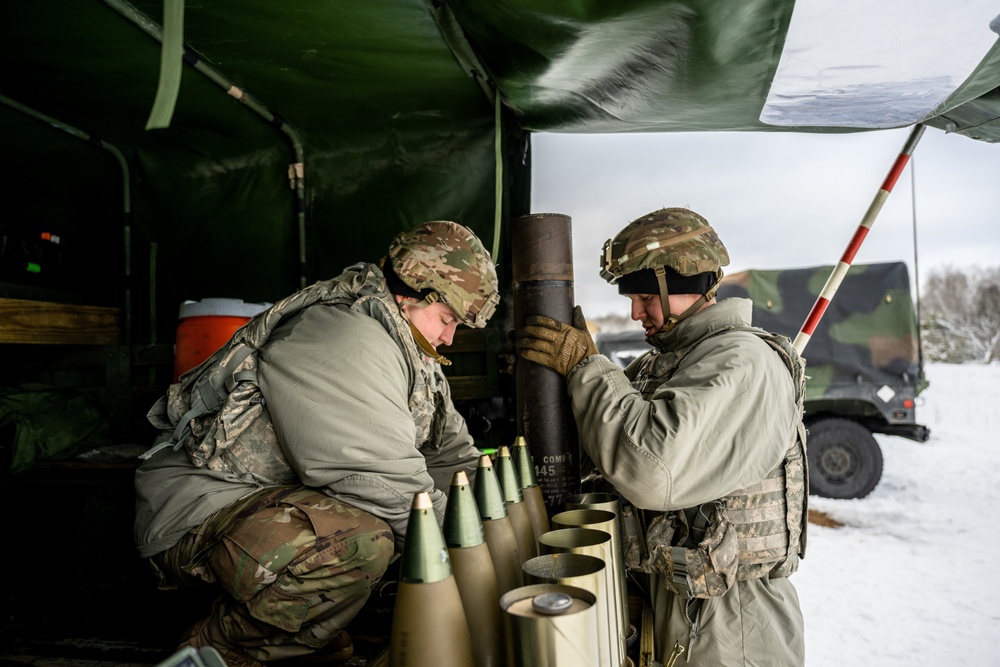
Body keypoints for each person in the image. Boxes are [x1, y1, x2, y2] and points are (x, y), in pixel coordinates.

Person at [134, 221, 500, 666]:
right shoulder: (344, 338)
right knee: (357, 545)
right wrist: (483, 555)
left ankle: (301, 630)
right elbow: (384, 486)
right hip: (197, 510)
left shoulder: (405, 345)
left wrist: (495, 513)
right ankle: (220, 647)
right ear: (410, 294)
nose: (448, 338)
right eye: (447, 320)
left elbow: (450, 453)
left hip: (263, 500)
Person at [516, 207, 807, 666]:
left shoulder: (741, 362)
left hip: (730, 623)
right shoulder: (668, 363)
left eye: (646, 295)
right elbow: (604, 450)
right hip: (678, 601)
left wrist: (587, 370)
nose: (635, 312)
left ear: (687, 285)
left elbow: (652, 469)